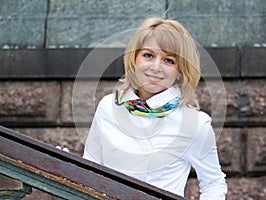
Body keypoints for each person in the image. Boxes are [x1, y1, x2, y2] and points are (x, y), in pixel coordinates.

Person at [83, 17, 227, 199]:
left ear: (180, 70)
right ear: (134, 58)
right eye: (148, 55)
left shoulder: (195, 123)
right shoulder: (108, 107)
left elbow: (213, 183)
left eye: (168, 60)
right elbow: (89, 166)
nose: (156, 67)